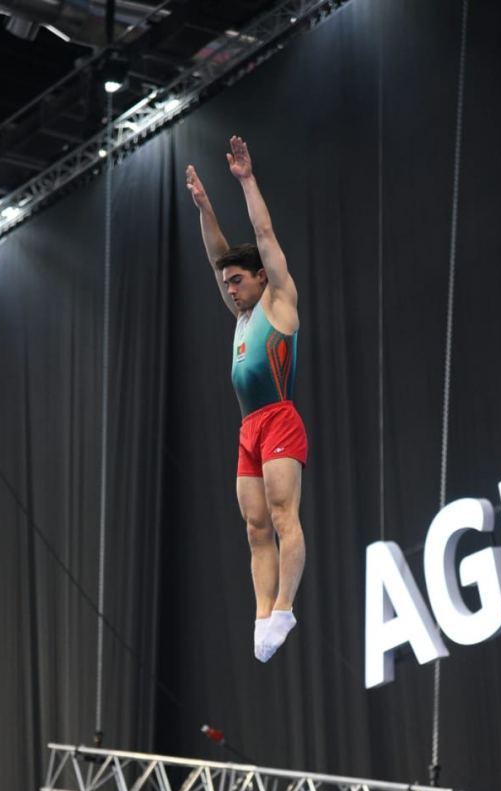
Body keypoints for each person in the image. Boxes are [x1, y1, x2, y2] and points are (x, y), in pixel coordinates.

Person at [186, 135, 307, 663]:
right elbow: (217, 254)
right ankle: (263, 613)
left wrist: (246, 182)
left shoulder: (278, 302)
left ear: (262, 277)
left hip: (279, 418)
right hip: (249, 428)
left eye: (239, 280)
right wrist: (205, 206)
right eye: (227, 283)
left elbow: (262, 233)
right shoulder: (239, 318)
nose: (231, 289)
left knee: (283, 518)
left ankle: (285, 605)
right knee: (256, 527)